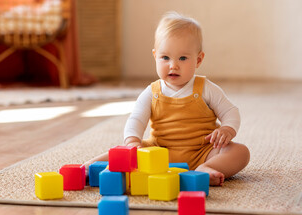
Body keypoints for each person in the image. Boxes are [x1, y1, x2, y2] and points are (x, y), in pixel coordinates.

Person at [85, 11, 250, 186]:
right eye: (165, 57)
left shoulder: (206, 88)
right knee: (123, 151)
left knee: (241, 152)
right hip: (159, 153)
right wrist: (132, 142)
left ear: (198, 59)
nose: (173, 65)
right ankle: (88, 168)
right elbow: (136, 119)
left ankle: (205, 169)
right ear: (155, 56)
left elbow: (230, 112)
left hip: (203, 151)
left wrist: (227, 130)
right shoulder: (152, 92)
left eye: (183, 58)